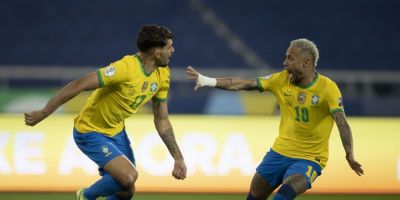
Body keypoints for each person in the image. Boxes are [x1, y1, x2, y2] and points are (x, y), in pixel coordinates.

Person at [186, 38, 364, 200]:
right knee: (254, 197)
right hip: (278, 153)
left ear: (306, 63)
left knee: (283, 197)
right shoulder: (280, 80)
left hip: (310, 158)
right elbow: (244, 84)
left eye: (290, 58)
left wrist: (349, 154)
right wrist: (206, 80)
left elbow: (342, 123)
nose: (284, 63)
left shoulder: (328, 88)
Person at [25, 24, 187, 200]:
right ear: (157, 52)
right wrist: (45, 112)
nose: (173, 50)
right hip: (90, 131)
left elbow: (161, 119)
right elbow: (79, 84)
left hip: (117, 132)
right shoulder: (124, 69)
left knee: (126, 191)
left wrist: (177, 158)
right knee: (128, 176)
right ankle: (84, 196)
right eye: (169, 47)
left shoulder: (163, 74)